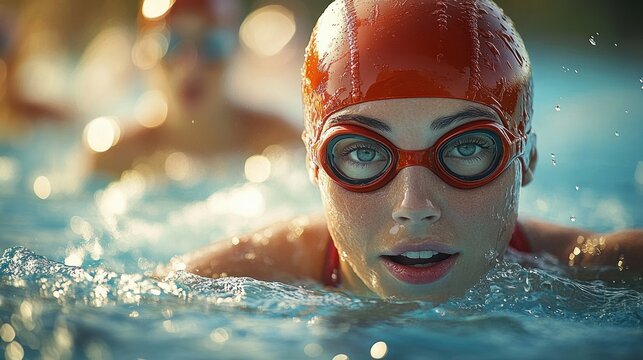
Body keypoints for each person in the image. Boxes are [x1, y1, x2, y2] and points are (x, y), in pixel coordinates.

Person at [175, 0, 643, 302]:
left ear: (527, 160)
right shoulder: (218, 285)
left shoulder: (598, 268)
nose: (413, 207)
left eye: (466, 148)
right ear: (314, 164)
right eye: (363, 154)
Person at [89, 0, 301, 177]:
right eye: (171, 43)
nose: (190, 65)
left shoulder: (280, 142)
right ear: (143, 54)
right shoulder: (114, 155)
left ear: (236, 52)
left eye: (212, 44)